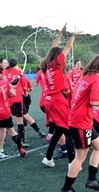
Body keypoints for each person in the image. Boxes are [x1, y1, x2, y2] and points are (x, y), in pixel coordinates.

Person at [60, 55, 99, 192]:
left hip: (81, 120)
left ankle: (92, 180)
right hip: (81, 122)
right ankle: (66, 189)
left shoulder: (85, 76)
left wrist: (98, 99)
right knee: (80, 157)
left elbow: (84, 97)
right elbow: (94, 102)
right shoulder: (96, 79)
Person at [41, 23, 79, 167]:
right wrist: (73, 35)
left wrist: (61, 34)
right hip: (57, 99)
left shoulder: (46, 65)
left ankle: (48, 158)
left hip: (48, 100)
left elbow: (53, 47)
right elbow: (68, 48)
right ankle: (72, 163)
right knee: (69, 131)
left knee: (58, 130)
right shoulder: (57, 65)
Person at [3, 59, 45, 148]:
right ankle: (22, 141)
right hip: (17, 99)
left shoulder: (4, 73)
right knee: (20, 121)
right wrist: (26, 91)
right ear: (16, 64)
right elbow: (25, 85)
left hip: (7, 100)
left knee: (5, 121)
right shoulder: (19, 73)